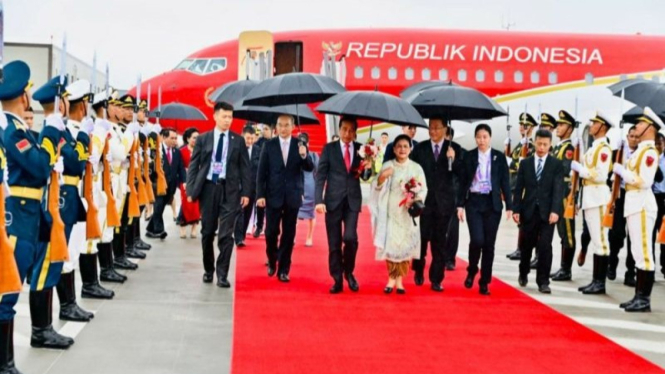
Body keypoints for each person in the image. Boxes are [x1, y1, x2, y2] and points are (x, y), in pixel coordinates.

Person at [0, 61, 73, 357]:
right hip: (17, 216)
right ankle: (4, 362)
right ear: (23, 96)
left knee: (12, 287)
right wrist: (51, 134)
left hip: (28, 215)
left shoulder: (17, 129)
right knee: (7, 289)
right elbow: (40, 168)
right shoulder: (12, 133)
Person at [186, 102, 250, 288]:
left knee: (226, 235)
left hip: (230, 191)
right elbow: (193, 167)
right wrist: (191, 190)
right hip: (208, 189)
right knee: (207, 233)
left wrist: (246, 192)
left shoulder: (238, 141)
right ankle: (209, 270)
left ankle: (222, 274)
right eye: (224, 116)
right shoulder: (203, 139)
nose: (228, 120)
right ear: (215, 116)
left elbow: (245, 168)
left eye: (230, 117)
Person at [613, 107, 662, 312]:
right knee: (636, 251)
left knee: (644, 253)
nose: (638, 126)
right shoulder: (639, 150)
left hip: (642, 204)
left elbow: (645, 181)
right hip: (633, 204)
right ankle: (637, 296)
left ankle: (644, 299)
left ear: (650, 128)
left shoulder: (650, 152)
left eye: (641, 123)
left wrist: (623, 172)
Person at [256, 114, 314, 282]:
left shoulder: (300, 145)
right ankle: (272, 259)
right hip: (272, 195)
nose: (283, 128)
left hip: (293, 196)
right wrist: (260, 195)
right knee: (271, 232)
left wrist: (304, 155)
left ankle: (283, 269)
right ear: (276, 127)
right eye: (280, 125)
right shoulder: (269, 145)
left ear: (293, 126)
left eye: (286, 125)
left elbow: (309, 168)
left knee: (289, 234)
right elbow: (261, 173)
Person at [457, 124, 512, 296]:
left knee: (489, 245)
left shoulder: (499, 157)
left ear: (490, 138)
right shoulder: (469, 156)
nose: (482, 140)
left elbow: (505, 183)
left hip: (492, 203)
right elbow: (462, 181)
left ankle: (484, 281)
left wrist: (510, 206)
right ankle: (472, 268)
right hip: (473, 202)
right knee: (477, 240)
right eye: (479, 137)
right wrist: (459, 205)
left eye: (485, 137)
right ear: (475, 138)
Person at [315, 118, 369, 293]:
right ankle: (337, 279)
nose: (347, 134)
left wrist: (367, 166)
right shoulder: (329, 149)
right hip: (332, 201)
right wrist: (318, 200)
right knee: (334, 243)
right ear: (339, 130)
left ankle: (349, 272)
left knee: (350, 238)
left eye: (351, 130)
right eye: (344, 129)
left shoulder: (363, 150)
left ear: (355, 132)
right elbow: (320, 176)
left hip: (352, 201)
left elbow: (366, 177)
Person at [371, 134, 427, 294]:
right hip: (391, 211)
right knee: (390, 245)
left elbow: (423, 189)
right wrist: (382, 176)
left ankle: (400, 281)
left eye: (405, 146)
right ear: (394, 149)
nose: (402, 149)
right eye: (399, 146)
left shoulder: (416, 168)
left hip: (407, 214)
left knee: (404, 246)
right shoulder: (388, 165)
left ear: (410, 149)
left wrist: (415, 198)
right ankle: (390, 279)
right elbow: (376, 185)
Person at [410, 118, 461, 292]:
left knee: (439, 243)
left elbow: (462, 174)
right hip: (423, 203)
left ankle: (436, 279)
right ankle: (418, 268)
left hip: (444, 204)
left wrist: (453, 160)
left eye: (436, 128)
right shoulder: (420, 148)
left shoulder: (454, 149)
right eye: (430, 128)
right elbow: (411, 171)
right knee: (422, 240)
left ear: (445, 129)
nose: (432, 131)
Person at [513, 129, 564, 294]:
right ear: (534, 142)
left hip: (547, 212)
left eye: (545, 144)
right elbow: (518, 188)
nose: (541, 147)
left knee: (545, 246)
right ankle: (523, 271)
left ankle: (543, 281)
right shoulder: (525, 163)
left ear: (550, 145)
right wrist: (516, 209)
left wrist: (556, 210)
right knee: (526, 244)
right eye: (539, 143)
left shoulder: (556, 165)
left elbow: (558, 189)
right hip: (529, 211)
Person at [571, 111, 613, 295]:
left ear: (602, 127)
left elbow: (601, 175)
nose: (592, 125)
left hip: (598, 197)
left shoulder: (603, 149)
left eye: (595, 123)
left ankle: (600, 282)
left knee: (601, 242)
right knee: (596, 241)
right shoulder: (594, 147)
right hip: (589, 197)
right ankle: (595, 281)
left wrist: (581, 170)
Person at [607, 126, 639, 285]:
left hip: (634, 195)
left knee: (633, 236)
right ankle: (611, 265)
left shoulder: (641, 154)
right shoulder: (617, 152)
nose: (634, 139)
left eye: (636, 137)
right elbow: (607, 175)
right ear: (627, 136)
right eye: (631, 136)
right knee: (616, 234)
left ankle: (630, 272)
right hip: (620, 196)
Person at [550, 110, 579, 282]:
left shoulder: (568, 148)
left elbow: (566, 171)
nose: (557, 128)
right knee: (562, 233)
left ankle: (566, 269)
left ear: (569, 128)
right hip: (557, 194)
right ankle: (562, 267)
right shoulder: (559, 147)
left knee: (567, 233)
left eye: (561, 125)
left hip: (565, 196)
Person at [506, 113, 536, 262]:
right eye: (520, 125)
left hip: (524, 186)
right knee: (520, 220)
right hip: (515, 184)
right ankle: (520, 248)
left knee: (525, 220)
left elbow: (523, 166)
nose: (521, 128)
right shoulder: (521, 145)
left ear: (531, 128)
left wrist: (512, 162)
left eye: (525, 125)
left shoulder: (530, 146)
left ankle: (523, 249)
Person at [148, 128, 186, 238]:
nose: (174, 140)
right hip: (158, 184)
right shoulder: (156, 150)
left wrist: (184, 181)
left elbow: (181, 168)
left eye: (175, 138)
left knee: (161, 207)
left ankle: (150, 229)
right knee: (158, 206)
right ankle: (159, 230)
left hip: (171, 186)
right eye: (172, 138)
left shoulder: (177, 152)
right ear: (164, 138)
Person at [234, 125, 260, 247]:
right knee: (239, 211)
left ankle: (242, 235)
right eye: (247, 138)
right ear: (242, 135)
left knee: (248, 212)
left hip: (253, 187)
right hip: (238, 186)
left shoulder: (258, 150)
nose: (249, 141)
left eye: (252, 138)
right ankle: (238, 238)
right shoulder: (236, 149)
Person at [443, 127, 462, 270]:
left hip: (453, 194)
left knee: (453, 229)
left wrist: (453, 159)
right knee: (439, 229)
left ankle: (450, 259)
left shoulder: (458, 149)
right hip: (438, 195)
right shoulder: (435, 150)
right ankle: (440, 256)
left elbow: (462, 171)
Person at [178, 127, 201, 239]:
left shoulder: (201, 150)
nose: (195, 140)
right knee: (185, 203)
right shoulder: (181, 151)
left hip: (198, 179)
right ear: (188, 139)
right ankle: (182, 226)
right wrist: (183, 180)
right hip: (185, 180)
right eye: (193, 138)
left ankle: (194, 228)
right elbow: (180, 167)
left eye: (197, 138)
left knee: (196, 204)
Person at [298, 132, 319, 247]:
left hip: (310, 186)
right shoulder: (294, 155)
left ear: (308, 144)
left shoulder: (314, 155)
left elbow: (318, 171)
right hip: (296, 187)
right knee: (292, 213)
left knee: (311, 214)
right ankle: (292, 236)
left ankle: (310, 236)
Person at [253, 124, 273, 238]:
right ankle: (259, 226)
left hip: (273, 179)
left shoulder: (276, 143)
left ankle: (269, 227)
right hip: (261, 178)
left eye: (266, 129)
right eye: (263, 129)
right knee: (259, 204)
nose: (264, 131)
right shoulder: (259, 143)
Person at [653, 132, 665, 279]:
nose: (659, 144)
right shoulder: (650, 157)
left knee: (663, 233)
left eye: (661, 141)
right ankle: (651, 266)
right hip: (653, 196)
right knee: (650, 234)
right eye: (656, 142)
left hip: (664, 197)